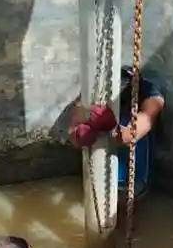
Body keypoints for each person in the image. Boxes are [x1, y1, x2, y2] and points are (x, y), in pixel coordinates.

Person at [69, 66, 166, 199]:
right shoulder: (94, 91)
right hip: (98, 174)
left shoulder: (151, 96)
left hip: (133, 176)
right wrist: (80, 133)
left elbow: (131, 134)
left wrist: (111, 126)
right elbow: (74, 124)